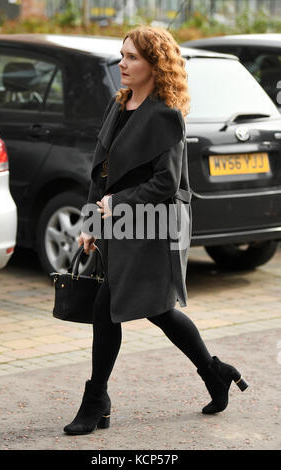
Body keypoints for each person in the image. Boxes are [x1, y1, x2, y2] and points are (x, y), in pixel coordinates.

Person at [63, 25, 248, 436]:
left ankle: (97, 400)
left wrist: (117, 205)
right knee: (144, 310)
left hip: (151, 225)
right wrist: (92, 221)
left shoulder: (166, 116)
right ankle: (214, 372)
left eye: (132, 57)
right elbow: (102, 169)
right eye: (122, 55)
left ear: (154, 65)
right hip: (117, 223)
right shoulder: (120, 103)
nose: (123, 64)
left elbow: (168, 182)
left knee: (128, 307)